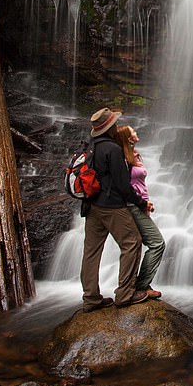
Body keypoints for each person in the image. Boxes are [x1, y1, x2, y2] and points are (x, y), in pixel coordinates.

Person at [79, 107, 150, 311]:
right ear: (110, 128)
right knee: (132, 242)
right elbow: (122, 184)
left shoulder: (91, 146)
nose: (117, 126)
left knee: (91, 252)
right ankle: (125, 293)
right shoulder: (112, 149)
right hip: (111, 206)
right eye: (115, 124)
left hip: (91, 205)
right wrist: (141, 203)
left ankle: (90, 298)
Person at [117, 124, 165, 299]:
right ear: (128, 138)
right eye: (133, 132)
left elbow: (139, 184)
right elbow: (124, 186)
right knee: (157, 243)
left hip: (140, 204)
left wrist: (146, 203)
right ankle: (141, 285)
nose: (136, 133)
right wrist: (140, 204)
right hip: (132, 205)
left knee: (139, 244)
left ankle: (138, 285)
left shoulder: (134, 155)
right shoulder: (122, 158)